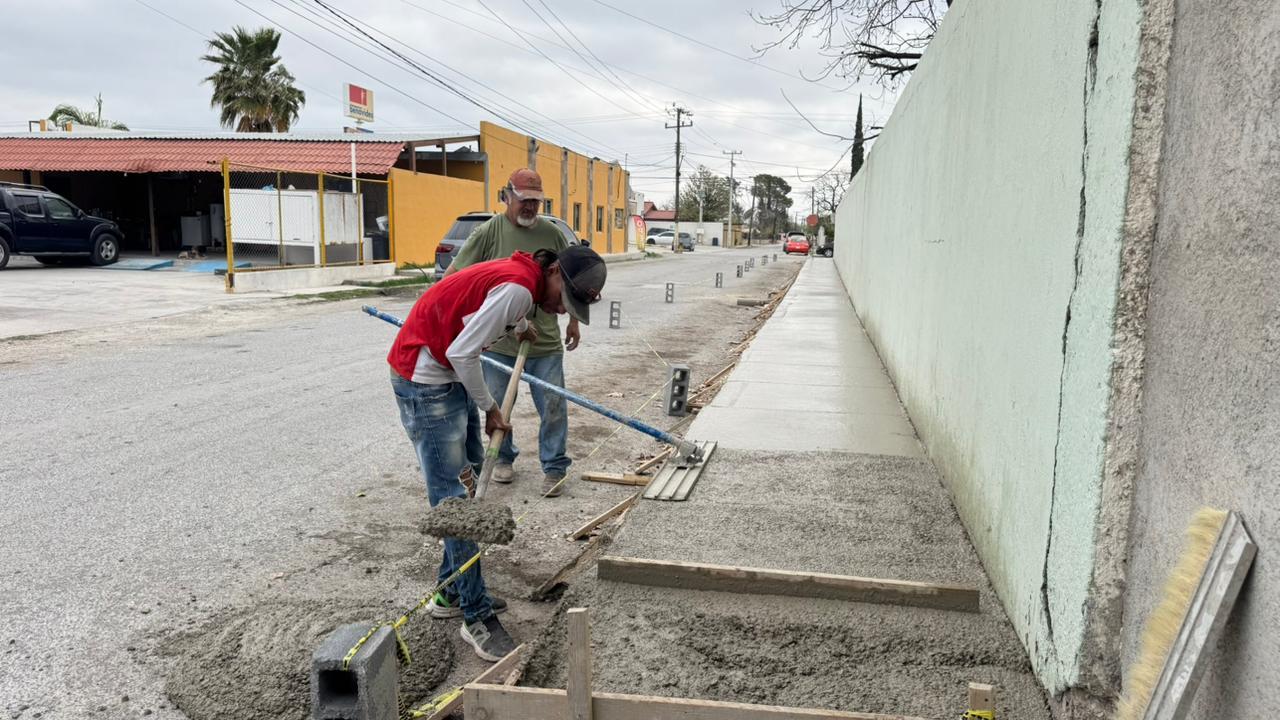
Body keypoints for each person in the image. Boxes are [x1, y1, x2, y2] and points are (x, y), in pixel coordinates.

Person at [387, 245, 607, 661]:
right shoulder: (519, 288)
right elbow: (461, 351)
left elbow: (487, 306)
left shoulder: (523, 284)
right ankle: (476, 616)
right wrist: (490, 408)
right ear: (555, 271)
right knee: (456, 505)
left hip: (446, 375)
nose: (562, 310)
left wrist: (521, 325)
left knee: (468, 492)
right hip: (427, 379)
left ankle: (450, 594)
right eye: (566, 298)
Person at [446, 168, 582, 498]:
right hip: (499, 342)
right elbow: (457, 271)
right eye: (524, 201)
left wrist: (574, 320)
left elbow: (569, 280)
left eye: (536, 202)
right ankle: (504, 458)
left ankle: (554, 467)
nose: (530, 208)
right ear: (508, 196)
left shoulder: (551, 233)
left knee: (552, 405)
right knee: (496, 405)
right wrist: (437, 304)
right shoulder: (491, 230)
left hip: (544, 339)